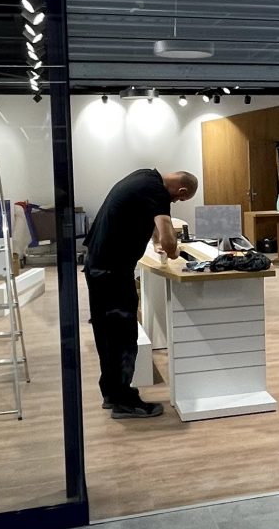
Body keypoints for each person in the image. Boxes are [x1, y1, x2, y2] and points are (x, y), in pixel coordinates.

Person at [84, 168, 197, 418]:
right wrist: (174, 251)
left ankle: (112, 393)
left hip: (99, 265)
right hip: (112, 272)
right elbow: (168, 238)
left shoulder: (145, 177)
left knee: (108, 333)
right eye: (180, 199)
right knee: (123, 335)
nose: (176, 202)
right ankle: (123, 402)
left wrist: (156, 240)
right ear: (181, 190)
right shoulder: (158, 192)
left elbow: (151, 220)